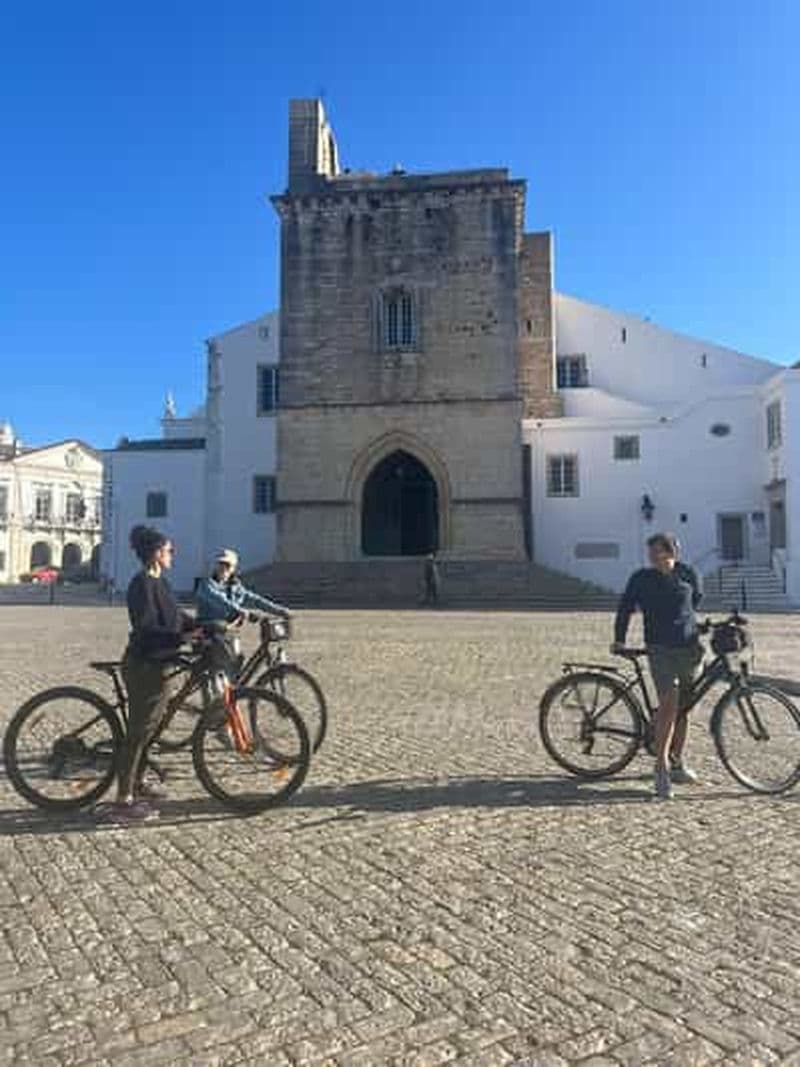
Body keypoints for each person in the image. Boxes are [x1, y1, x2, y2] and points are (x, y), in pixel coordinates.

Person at [111, 525, 198, 822]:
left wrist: (202, 627)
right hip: (144, 666)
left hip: (161, 664)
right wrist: (181, 638)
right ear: (157, 553)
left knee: (150, 729)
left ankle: (137, 782)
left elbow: (176, 616)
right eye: (169, 550)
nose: (173, 554)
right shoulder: (141, 584)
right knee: (138, 732)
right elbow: (146, 628)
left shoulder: (160, 582)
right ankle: (123, 801)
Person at [612, 532, 703, 801]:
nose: (653, 557)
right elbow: (625, 607)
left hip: (688, 648)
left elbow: (694, 603)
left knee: (684, 708)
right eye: (650, 553)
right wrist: (619, 638)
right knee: (669, 704)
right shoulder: (641, 579)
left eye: (658, 552)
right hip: (660, 648)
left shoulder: (688, 574)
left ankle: (677, 761)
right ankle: (660, 767)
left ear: (672, 552)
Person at [195, 549, 290, 624]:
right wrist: (241, 611)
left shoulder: (236, 587)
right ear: (216, 565)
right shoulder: (206, 584)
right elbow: (220, 601)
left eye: (227, 565)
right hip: (208, 628)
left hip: (229, 627)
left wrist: (281, 611)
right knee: (218, 627)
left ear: (233, 568)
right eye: (220, 564)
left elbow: (256, 600)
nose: (223, 568)